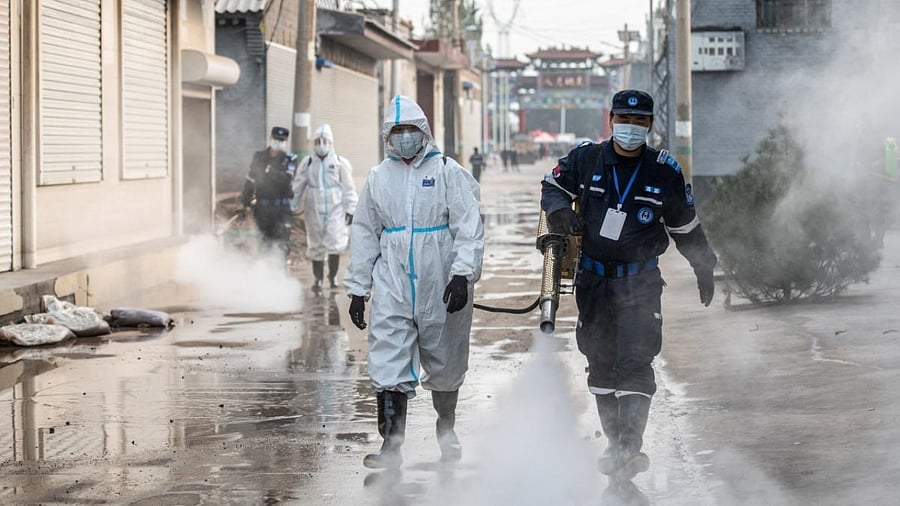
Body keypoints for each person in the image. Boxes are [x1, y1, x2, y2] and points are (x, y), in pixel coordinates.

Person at [540, 89, 717, 480]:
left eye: (639, 122)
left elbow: (684, 226)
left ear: (650, 125)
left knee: (636, 361)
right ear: (611, 121)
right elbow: (552, 186)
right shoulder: (587, 159)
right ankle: (614, 442)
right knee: (600, 363)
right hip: (594, 282)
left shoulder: (664, 171)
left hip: (640, 282)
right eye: (624, 120)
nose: (631, 128)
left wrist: (704, 266)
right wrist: (558, 213)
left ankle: (629, 446)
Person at [345, 95, 484, 469]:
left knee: (445, 358)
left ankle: (446, 430)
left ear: (423, 132)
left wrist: (461, 273)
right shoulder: (378, 177)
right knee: (387, 358)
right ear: (388, 136)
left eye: (410, 129)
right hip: (392, 279)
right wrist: (359, 289)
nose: (404, 137)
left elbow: (468, 227)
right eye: (397, 131)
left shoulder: (447, 172)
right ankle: (391, 447)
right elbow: (363, 233)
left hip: (440, 277)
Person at [291, 124, 358, 291]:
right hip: (313, 208)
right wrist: (292, 205)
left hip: (335, 208)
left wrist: (351, 208)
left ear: (331, 143)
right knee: (315, 244)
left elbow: (348, 187)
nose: (321, 144)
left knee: (335, 241)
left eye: (325, 141)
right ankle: (318, 278)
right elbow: (298, 185)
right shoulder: (308, 163)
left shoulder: (340, 163)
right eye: (318, 141)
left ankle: (333, 275)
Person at [241, 126, 298, 258]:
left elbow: (286, 179)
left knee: (281, 246)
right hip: (262, 209)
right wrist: (246, 201)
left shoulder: (290, 158)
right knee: (263, 246)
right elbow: (250, 179)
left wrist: (269, 172)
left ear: (286, 141)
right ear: (271, 138)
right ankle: (265, 276)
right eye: (276, 139)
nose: (279, 142)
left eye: (282, 140)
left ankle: (280, 277)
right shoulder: (259, 157)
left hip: (281, 209)